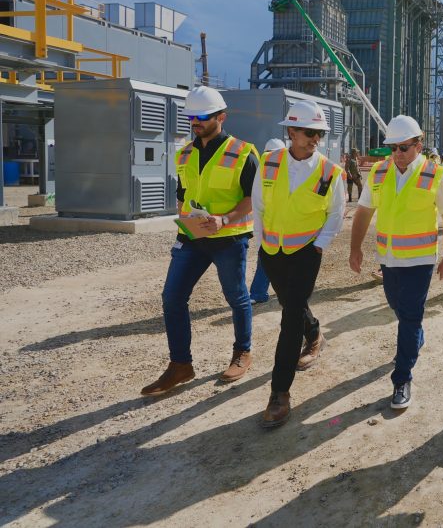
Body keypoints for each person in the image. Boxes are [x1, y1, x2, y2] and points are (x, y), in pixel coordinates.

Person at [141, 86, 259, 397]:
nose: (195, 122)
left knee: (237, 297)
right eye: (191, 116)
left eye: (202, 117)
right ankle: (181, 365)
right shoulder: (184, 153)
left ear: (221, 116)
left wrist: (225, 219)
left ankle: (242, 352)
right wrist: (186, 220)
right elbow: (183, 195)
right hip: (192, 237)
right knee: (172, 298)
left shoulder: (244, 152)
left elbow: (253, 198)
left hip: (229, 238)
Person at [349, 115, 443, 410]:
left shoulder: (436, 174)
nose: (398, 153)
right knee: (399, 309)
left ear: (419, 145)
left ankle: (402, 377)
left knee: (409, 316)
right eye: (393, 148)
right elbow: (363, 212)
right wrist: (355, 248)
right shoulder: (379, 173)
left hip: (420, 260)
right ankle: (416, 337)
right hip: (389, 259)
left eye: (404, 147)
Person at [256, 100, 346, 428]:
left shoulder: (329, 171)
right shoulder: (268, 163)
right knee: (290, 303)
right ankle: (315, 332)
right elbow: (258, 204)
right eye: (309, 132)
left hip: (307, 252)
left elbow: (336, 212)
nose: (315, 139)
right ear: (291, 131)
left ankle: (279, 393)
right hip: (272, 251)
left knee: (290, 315)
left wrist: (319, 246)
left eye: (319, 133)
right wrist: (261, 243)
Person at [250, 138, 286, 304]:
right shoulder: (264, 170)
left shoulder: (266, 170)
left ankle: (260, 293)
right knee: (267, 259)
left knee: (269, 259)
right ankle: (259, 293)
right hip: (271, 223)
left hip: (280, 224)